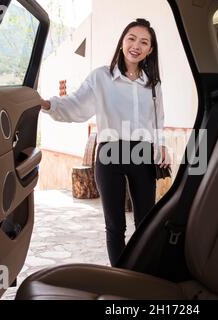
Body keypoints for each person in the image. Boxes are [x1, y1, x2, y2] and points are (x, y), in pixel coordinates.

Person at [40, 18, 170, 266]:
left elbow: (158, 120)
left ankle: (141, 273)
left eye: (144, 42)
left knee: (145, 221)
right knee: (115, 224)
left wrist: (161, 145)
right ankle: (119, 277)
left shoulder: (153, 84)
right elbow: (77, 105)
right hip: (109, 154)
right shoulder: (101, 77)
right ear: (122, 41)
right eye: (131, 38)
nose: (136, 45)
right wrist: (48, 105)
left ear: (150, 50)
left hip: (143, 154)